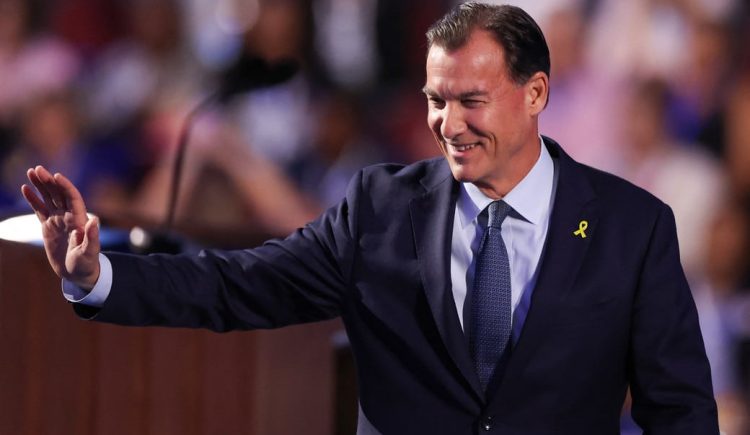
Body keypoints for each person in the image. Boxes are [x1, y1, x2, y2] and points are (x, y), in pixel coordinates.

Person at [21, 3, 718, 434]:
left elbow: (680, 410)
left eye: (470, 100)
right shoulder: (380, 210)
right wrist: (99, 274)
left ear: (535, 93)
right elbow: (236, 284)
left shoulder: (632, 227)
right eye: (434, 100)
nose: (448, 124)